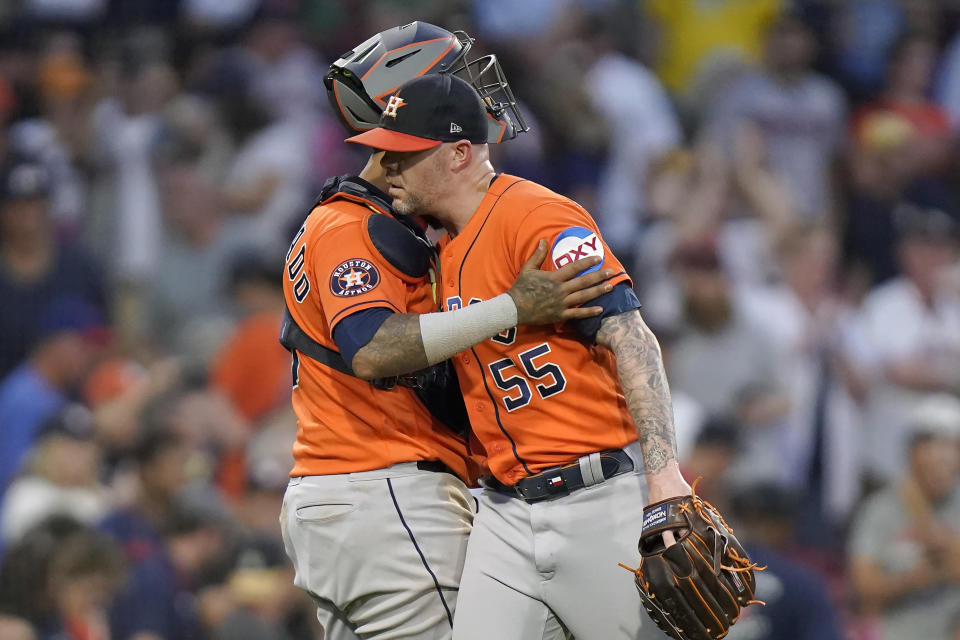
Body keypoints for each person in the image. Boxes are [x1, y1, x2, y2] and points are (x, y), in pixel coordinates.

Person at [279, 22, 614, 639]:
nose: (477, 95)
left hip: (357, 498)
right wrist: (511, 309)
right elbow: (374, 349)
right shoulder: (350, 227)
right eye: (453, 81)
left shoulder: (386, 224)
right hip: (387, 494)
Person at [347, 72, 692, 638]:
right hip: (503, 514)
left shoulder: (537, 216)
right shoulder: (439, 247)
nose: (387, 169)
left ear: (460, 154)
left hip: (597, 499)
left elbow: (632, 337)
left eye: (403, 155)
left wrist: (665, 476)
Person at [849, 395, 960, 640]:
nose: (942, 461)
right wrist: (917, 577)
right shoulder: (881, 508)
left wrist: (946, 547)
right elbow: (863, 587)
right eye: (931, 449)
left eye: (950, 450)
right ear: (912, 452)